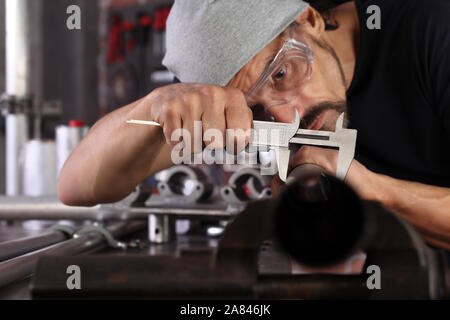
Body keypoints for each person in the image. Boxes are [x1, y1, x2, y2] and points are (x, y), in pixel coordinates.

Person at [58, 0, 450, 250]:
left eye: (280, 73)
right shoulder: (229, 97)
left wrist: (375, 194)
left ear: (309, 18)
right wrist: (153, 105)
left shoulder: (434, 30)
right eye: (252, 111)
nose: (285, 117)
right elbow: (76, 185)